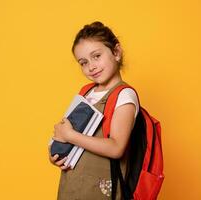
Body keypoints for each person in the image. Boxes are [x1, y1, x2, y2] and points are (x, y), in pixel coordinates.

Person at [48, 21, 140, 200]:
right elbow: (65, 131)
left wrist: (70, 136)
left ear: (116, 52)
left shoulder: (124, 95)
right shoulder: (86, 92)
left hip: (100, 192)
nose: (91, 67)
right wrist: (57, 153)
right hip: (73, 187)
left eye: (96, 56)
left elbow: (116, 148)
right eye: (83, 62)